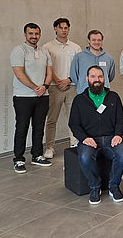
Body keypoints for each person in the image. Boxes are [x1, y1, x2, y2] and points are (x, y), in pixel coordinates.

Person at [68, 66, 123, 205]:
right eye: (93, 77)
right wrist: (84, 138)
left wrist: (118, 134)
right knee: (84, 157)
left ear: (104, 79)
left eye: (100, 77)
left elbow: (121, 120)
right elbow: (74, 124)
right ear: (87, 79)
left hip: (111, 138)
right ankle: (95, 187)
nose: (97, 80)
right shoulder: (79, 100)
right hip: (89, 139)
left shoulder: (113, 97)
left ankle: (114, 186)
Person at [10, 23, 53, 173]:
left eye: (36, 34)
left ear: (39, 35)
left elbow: (49, 72)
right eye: (31, 34)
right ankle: (19, 159)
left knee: (39, 127)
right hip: (23, 97)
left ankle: (37, 155)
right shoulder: (18, 50)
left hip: (43, 95)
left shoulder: (44, 52)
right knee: (22, 127)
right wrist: (35, 87)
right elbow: (19, 73)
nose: (34, 37)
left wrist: (45, 87)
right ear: (25, 34)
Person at [43, 17, 82, 157]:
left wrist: (69, 79)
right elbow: (47, 67)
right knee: (52, 119)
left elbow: (79, 67)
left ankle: (74, 142)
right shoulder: (47, 47)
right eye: (61, 28)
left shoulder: (76, 47)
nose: (64, 30)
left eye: (66, 28)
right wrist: (58, 80)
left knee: (74, 118)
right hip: (54, 87)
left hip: (72, 86)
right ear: (55, 28)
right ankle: (50, 147)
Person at [70, 30, 115, 94]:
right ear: (89, 41)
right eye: (94, 40)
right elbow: (74, 76)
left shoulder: (109, 58)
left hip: (103, 94)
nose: (96, 42)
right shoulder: (79, 57)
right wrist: (83, 84)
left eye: (99, 40)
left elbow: (110, 76)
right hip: (84, 93)